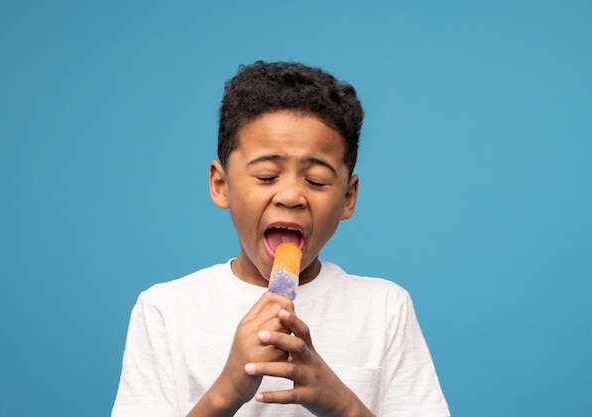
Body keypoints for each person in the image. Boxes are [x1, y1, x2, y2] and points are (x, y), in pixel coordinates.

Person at [111, 61, 450, 417]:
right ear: (221, 184)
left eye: (316, 180)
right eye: (267, 175)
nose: (291, 196)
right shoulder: (165, 310)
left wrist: (343, 405)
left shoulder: (384, 308)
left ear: (347, 198)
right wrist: (225, 392)